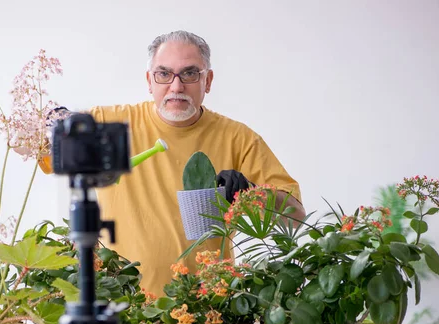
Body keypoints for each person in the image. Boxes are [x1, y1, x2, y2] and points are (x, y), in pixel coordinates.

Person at [41, 30, 305, 296]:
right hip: (125, 305)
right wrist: (55, 119)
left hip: (208, 310)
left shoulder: (238, 138)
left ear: (208, 80)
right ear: (149, 80)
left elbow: (295, 218)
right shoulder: (111, 126)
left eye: (189, 74)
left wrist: (251, 192)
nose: (176, 87)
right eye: (164, 74)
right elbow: (22, 141)